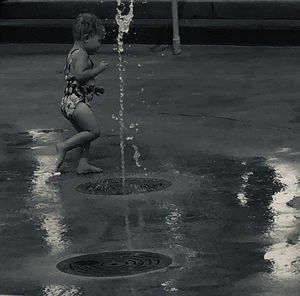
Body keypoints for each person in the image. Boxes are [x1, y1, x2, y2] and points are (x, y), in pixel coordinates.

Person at [56, 13, 109, 174]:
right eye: (99, 40)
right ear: (87, 37)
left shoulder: (74, 52)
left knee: (84, 133)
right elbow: (80, 75)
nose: (100, 45)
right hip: (76, 102)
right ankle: (63, 146)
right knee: (93, 132)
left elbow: (75, 79)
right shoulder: (82, 54)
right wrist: (98, 69)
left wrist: (93, 88)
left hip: (69, 100)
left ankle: (83, 163)